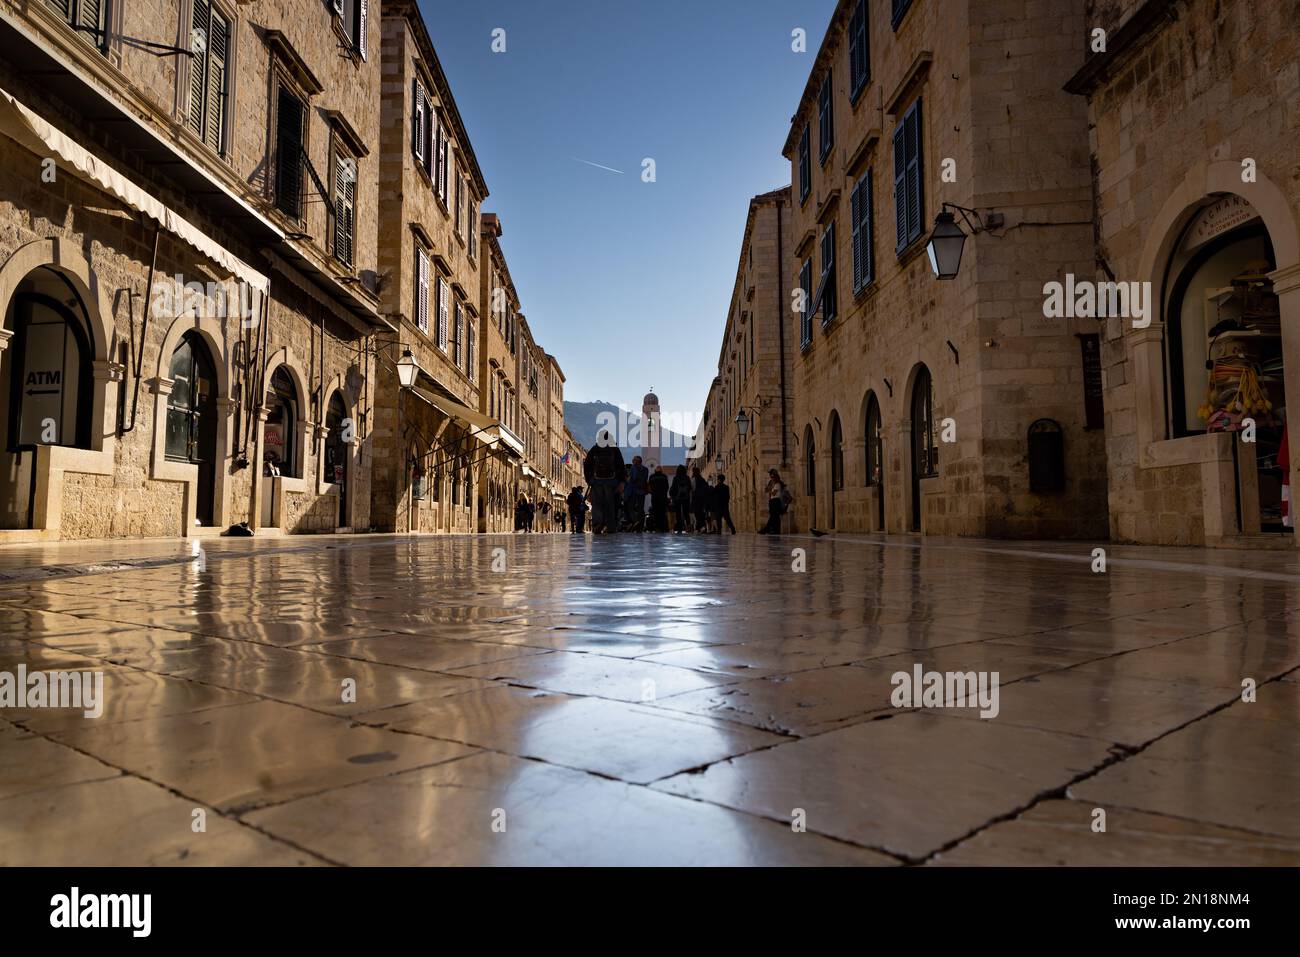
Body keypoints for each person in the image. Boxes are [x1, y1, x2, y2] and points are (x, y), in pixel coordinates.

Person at [583, 431, 626, 533]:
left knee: (597, 504)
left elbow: (587, 465)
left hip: (596, 481)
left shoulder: (595, 449)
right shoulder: (614, 449)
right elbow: (621, 466)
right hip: (611, 481)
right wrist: (621, 481)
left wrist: (589, 479)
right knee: (610, 504)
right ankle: (610, 526)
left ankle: (597, 524)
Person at [624, 455, 649, 532]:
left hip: (633, 491)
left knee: (630, 507)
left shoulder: (633, 467)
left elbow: (633, 478)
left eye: (633, 460)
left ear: (636, 461)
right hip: (642, 491)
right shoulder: (645, 469)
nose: (632, 461)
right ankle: (640, 526)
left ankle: (635, 521)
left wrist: (628, 479)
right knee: (640, 509)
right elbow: (645, 479)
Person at [759, 468, 787, 535]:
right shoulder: (772, 484)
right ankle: (774, 530)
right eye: (770, 476)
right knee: (774, 517)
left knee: (774, 516)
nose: (771, 477)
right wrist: (769, 489)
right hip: (772, 501)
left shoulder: (778, 484)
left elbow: (774, 493)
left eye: (772, 476)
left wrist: (769, 489)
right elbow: (766, 490)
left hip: (776, 501)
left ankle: (766, 529)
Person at [669, 465, 692, 534]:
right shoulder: (687, 477)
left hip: (677, 498)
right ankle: (688, 527)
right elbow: (690, 487)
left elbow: (673, 488)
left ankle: (679, 528)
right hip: (686, 498)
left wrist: (672, 495)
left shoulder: (676, 478)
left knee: (678, 514)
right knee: (686, 513)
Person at [647, 466, 670, 532]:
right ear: (661, 470)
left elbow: (649, 487)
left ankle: (657, 527)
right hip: (663, 497)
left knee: (655, 512)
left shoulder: (651, 477)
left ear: (655, 470)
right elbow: (666, 487)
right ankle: (662, 527)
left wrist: (653, 493)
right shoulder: (664, 476)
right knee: (662, 512)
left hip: (654, 497)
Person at [691, 467, 712, 533]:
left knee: (697, 514)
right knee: (701, 514)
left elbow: (692, 489)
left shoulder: (693, 479)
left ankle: (702, 527)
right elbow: (706, 489)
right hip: (703, 499)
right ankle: (701, 527)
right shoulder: (702, 480)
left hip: (696, 499)